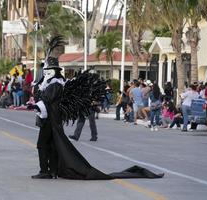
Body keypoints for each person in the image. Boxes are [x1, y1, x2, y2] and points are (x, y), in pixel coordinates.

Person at [27, 36, 163, 180]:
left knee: (42, 144)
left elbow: (47, 101)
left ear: (52, 70)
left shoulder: (54, 84)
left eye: (48, 69)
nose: (46, 72)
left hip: (51, 120)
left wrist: (34, 104)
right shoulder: (52, 83)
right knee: (52, 144)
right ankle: (52, 171)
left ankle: (45, 171)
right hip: (52, 119)